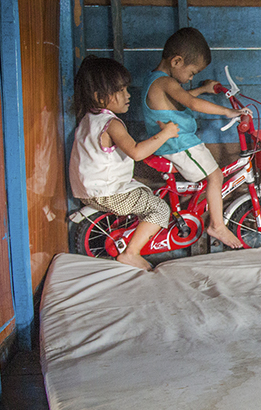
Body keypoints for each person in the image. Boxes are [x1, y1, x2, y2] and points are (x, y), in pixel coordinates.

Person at [69, 55, 180, 271]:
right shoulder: (111, 124)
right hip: (106, 192)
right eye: (120, 91)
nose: (127, 95)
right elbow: (137, 152)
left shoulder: (88, 119)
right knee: (158, 208)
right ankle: (131, 253)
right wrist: (166, 133)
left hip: (87, 190)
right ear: (100, 97)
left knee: (144, 193)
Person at [142, 28, 249, 249]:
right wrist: (228, 113)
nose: (191, 78)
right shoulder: (165, 82)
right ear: (177, 61)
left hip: (176, 143)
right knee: (215, 176)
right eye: (192, 73)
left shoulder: (156, 81)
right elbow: (190, 103)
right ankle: (217, 225)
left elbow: (180, 99)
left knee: (210, 178)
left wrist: (202, 89)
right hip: (180, 144)